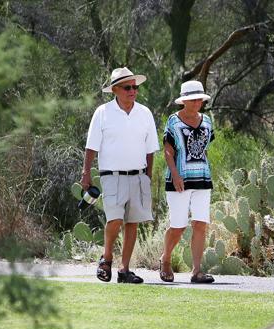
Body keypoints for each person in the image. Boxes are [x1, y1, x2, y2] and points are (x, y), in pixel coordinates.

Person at [81, 67, 159, 284]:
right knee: (114, 219)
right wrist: (86, 173)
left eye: (135, 87)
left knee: (132, 222)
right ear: (115, 89)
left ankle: (124, 270)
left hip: (138, 175)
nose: (132, 91)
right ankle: (106, 258)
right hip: (111, 176)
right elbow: (91, 147)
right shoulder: (102, 112)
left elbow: (150, 148)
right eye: (127, 87)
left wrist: (148, 176)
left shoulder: (145, 113)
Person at [159, 80, 216, 284]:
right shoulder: (173, 121)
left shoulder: (207, 121)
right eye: (192, 99)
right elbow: (168, 150)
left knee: (200, 224)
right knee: (179, 226)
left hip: (202, 179)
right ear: (184, 101)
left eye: (199, 99)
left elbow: (204, 148)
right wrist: (175, 174)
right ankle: (165, 259)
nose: (197, 102)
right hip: (179, 180)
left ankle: (197, 271)